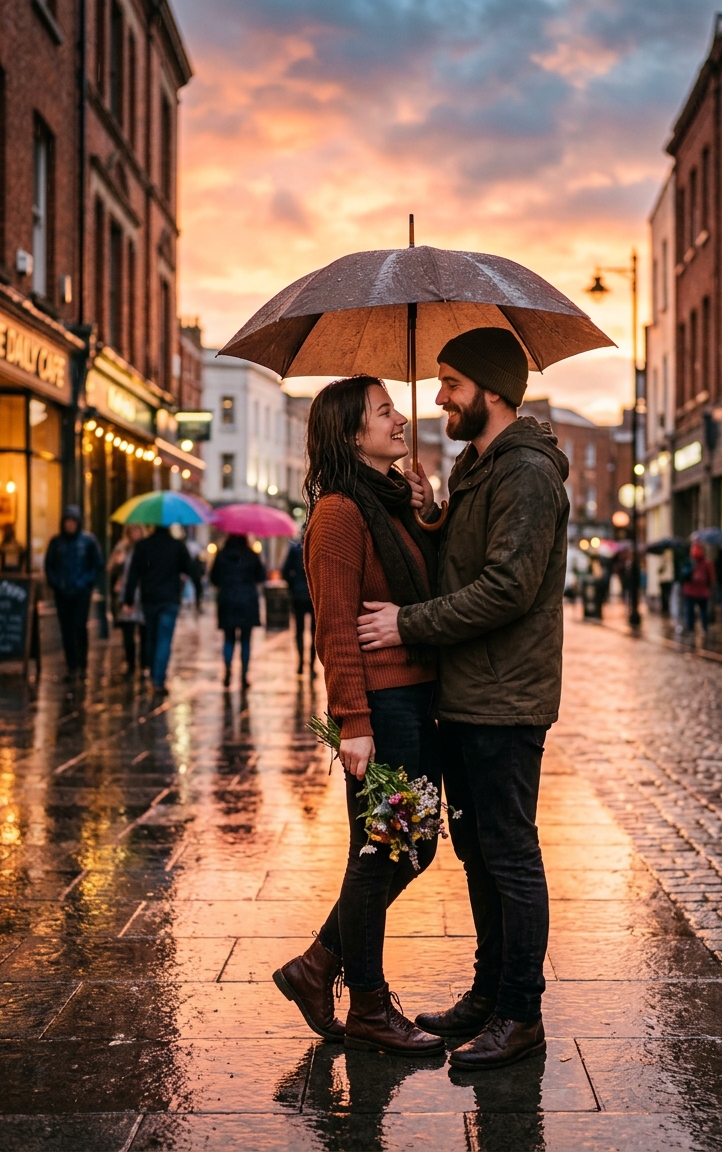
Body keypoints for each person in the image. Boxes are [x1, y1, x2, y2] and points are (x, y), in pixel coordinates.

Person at [357, 327, 570, 1070]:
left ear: (491, 389)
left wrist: (406, 623)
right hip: (470, 692)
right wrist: (432, 512)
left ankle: (521, 1014)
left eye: (450, 382)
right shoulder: (479, 465)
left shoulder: (526, 473)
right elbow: (466, 559)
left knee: (509, 852)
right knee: (478, 852)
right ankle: (487, 995)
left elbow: (509, 586)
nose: (439, 397)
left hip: (506, 696)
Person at [273, 375, 444, 1058]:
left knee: (412, 845)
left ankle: (318, 966)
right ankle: (368, 1004)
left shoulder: (390, 502)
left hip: (414, 702)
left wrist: (429, 512)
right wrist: (354, 720)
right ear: (352, 435)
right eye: (384, 412)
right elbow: (336, 627)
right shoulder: (340, 514)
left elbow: (425, 584)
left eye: (394, 408)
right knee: (380, 853)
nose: (400, 419)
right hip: (383, 707)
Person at [124, 525, 195, 693]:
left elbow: (133, 573)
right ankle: (158, 678)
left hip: (149, 599)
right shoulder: (177, 545)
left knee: (151, 636)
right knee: (164, 639)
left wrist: (128, 598)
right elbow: (191, 569)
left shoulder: (142, 546)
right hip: (169, 599)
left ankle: (152, 671)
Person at [44, 505, 104, 677]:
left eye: (73, 522)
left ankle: (81, 663)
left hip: (81, 592)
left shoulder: (88, 541)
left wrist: (85, 582)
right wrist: (56, 583)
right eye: (67, 522)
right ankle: (71, 665)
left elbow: (97, 565)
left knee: (79, 626)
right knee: (66, 629)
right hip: (63, 592)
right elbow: (49, 566)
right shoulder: (56, 542)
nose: (70, 525)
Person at [210, 534, 266, 688]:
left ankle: (227, 670)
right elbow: (261, 576)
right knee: (246, 641)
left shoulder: (221, 555)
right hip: (247, 600)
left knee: (229, 638)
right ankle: (244, 676)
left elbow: (213, 578)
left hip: (227, 600)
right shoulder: (252, 555)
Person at [108, 524, 148, 676]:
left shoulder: (146, 547)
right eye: (131, 530)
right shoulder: (122, 547)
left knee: (144, 632)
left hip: (143, 593)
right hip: (126, 592)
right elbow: (111, 568)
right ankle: (130, 663)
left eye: (137, 529)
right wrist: (117, 562)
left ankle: (144, 664)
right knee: (128, 631)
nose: (134, 533)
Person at [282, 535, 316, 675]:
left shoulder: (295, 549)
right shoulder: (316, 547)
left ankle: (301, 662)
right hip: (314, 596)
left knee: (299, 631)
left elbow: (285, 571)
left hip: (298, 596)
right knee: (315, 632)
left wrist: (292, 586)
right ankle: (312, 667)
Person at [681, 542, 715, 634]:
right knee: (703, 610)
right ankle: (704, 628)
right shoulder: (706, 563)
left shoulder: (689, 562)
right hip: (702, 592)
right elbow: (712, 578)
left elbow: (683, 577)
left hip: (691, 591)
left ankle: (691, 628)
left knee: (691, 611)